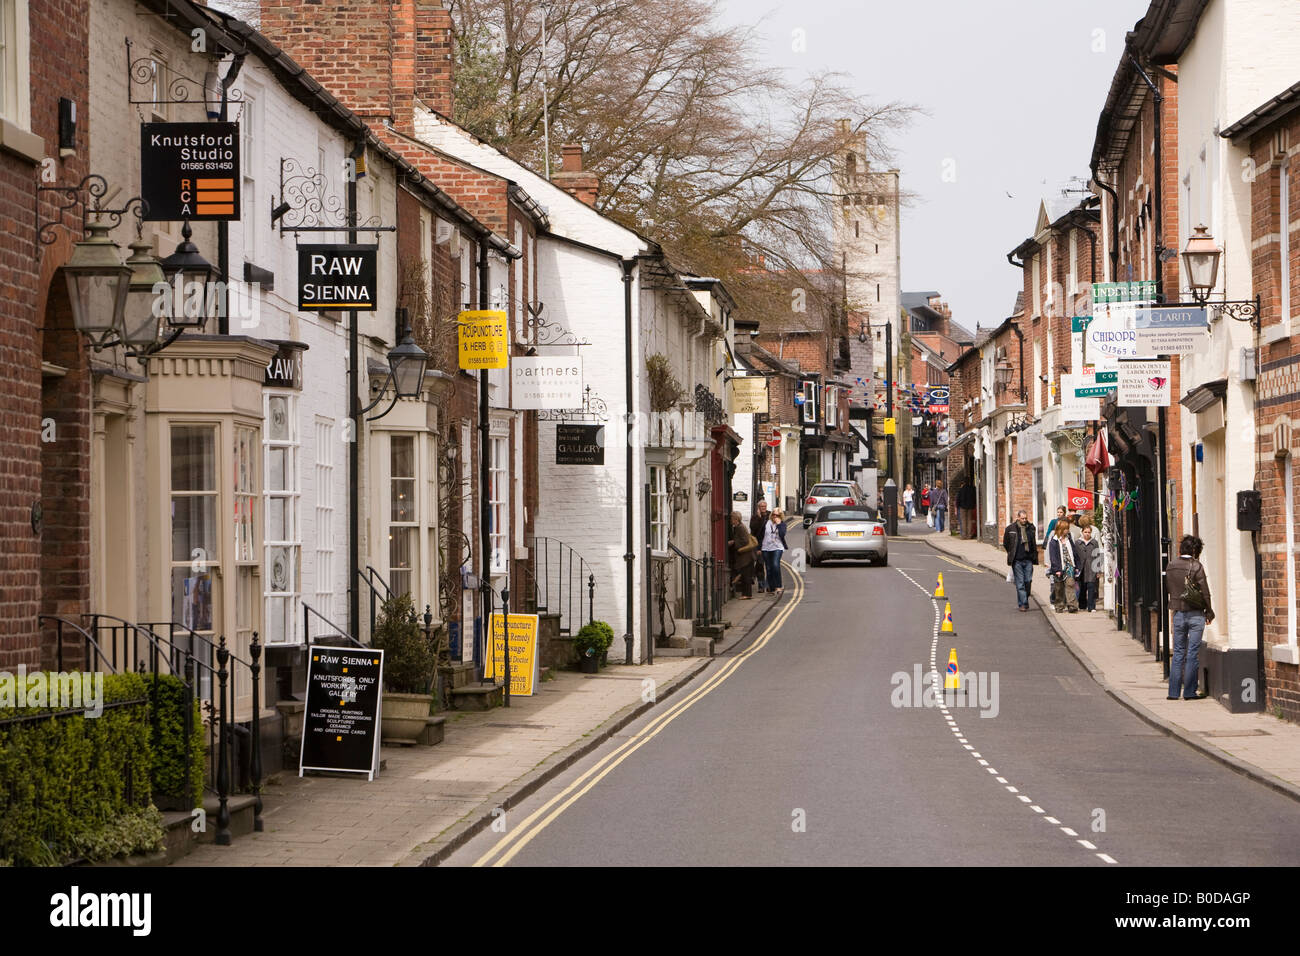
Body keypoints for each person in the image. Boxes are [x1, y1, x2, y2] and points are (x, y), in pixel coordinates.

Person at [1165, 534, 1214, 700]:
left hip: (1178, 613)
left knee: (1178, 653)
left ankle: (1173, 693)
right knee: (1192, 653)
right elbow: (1205, 592)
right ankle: (1189, 692)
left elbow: (1168, 588)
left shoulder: (1171, 565)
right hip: (1195, 615)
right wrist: (1209, 611)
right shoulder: (1197, 566)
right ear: (1195, 550)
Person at [1002, 509, 1038, 611]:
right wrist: (1011, 552)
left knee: (1028, 581)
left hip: (1028, 559)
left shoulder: (1031, 528)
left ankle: (1023, 600)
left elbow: (1033, 543)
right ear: (1018, 518)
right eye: (1022, 518)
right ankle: (1023, 604)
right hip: (1017, 560)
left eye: (1026, 518)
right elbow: (1006, 543)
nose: (1024, 520)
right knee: (1020, 582)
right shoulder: (1010, 528)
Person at [1046, 522, 1081, 613]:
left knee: (1070, 585)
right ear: (1060, 529)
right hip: (1059, 567)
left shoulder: (1069, 539)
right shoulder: (1054, 542)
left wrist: (1076, 565)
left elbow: (1074, 553)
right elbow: (1053, 557)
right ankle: (1059, 605)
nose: (1067, 530)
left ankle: (1072, 606)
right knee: (1059, 588)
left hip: (1069, 566)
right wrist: (1056, 569)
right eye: (1066, 529)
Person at [760, 507, 788, 596]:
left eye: (777, 515)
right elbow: (760, 535)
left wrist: (779, 524)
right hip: (766, 547)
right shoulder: (766, 523)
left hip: (777, 547)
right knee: (768, 568)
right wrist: (758, 548)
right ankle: (771, 587)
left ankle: (778, 586)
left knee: (775, 565)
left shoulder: (782, 524)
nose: (775, 516)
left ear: (781, 516)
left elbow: (782, 534)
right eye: (773, 514)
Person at [729, 510, 756, 599]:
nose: (730, 520)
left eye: (732, 518)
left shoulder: (740, 527)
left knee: (746, 575)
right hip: (745, 556)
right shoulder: (738, 527)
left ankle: (747, 594)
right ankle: (746, 594)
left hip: (746, 556)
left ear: (736, 519)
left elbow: (745, 541)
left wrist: (733, 542)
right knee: (744, 574)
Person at [1076, 523, 1100, 611]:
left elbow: (1098, 556)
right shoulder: (1077, 543)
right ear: (1082, 532)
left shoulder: (1094, 543)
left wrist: (1098, 570)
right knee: (1082, 588)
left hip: (1091, 568)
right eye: (1085, 532)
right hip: (1081, 569)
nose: (1087, 534)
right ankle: (1082, 605)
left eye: (1089, 532)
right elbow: (1075, 556)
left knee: (1091, 588)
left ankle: (1091, 607)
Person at [748, 500, 770, 591]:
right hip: (759, 544)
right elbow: (753, 528)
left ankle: (769, 585)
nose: (763, 508)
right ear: (758, 508)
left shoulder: (770, 515)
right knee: (760, 565)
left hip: (769, 544)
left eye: (765, 506)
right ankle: (761, 586)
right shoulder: (755, 517)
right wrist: (759, 518)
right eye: (761, 507)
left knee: (769, 566)